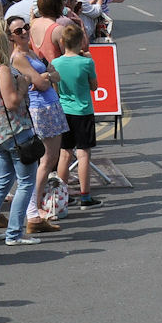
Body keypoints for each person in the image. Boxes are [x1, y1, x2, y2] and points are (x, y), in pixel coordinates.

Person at [0, 17, 42, 245]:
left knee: (3, 182)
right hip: (17, 132)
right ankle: (14, 233)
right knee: (26, 183)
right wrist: (23, 85)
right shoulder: (1, 70)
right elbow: (12, 102)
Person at [8, 11, 68, 231]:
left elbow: (55, 75)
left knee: (51, 158)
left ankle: (35, 203)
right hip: (40, 108)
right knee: (45, 159)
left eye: (25, 27)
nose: (24, 32)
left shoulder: (31, 51)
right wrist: (46, 77)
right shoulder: (18, 57)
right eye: (18, 31)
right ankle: (33, 207)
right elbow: (41, 84)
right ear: (11, 37)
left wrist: (46, 76)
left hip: (51, 105)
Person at [52, 22, 98, 209]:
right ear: (81, 42)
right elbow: (94, 86)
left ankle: (63, 195)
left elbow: (56, 89)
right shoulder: (86, 62)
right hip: (83, 111)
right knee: (83, 154)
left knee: (64, 153)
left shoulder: (56, 63)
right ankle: (85, 197)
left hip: (64, 111)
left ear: (62, 42)